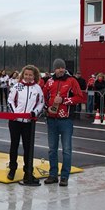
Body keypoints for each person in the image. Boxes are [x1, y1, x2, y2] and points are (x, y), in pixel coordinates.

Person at [43, 58, 84, 187]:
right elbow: (43, 98)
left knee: (66, 149)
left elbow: (79, 97)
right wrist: (47, 108)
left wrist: (65, 101)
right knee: (52, 149)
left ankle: (65, 176)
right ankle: (53, 175)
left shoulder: (72, 81)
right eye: (58, 67)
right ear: (54, 69)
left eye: (62, 67)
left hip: (66, 120)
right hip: (51, 120)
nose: (60, 70)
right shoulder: (49, 82)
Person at [7, 65, 44, 186]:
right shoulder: (17, 86)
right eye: (26, 74)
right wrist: (15, 113)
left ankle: (28, 171)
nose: (28, 77)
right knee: (14, 145)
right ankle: (12, 169)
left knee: (28, 148)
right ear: (23, 75)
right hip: (15, 122)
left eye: (30, 75)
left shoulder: (38, 88)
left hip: (29, 123)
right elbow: (10, 100)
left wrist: (35, 113)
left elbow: (41, 103)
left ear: (34, 76)